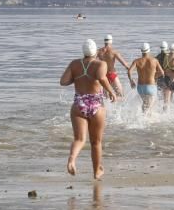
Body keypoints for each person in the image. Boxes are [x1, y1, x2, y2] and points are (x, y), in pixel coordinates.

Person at [60, 39, 117, 179]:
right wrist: (111, 92)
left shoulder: (75, 64)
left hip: (79, 104)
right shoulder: (101, 64)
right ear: (95, 51)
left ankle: (72, 159)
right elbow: (101, 78)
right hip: (96, 105)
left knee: (79, 139)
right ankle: (97, 171)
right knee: (96, 142)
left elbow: (63, 81)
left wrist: (77, 77)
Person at [127, 42, 162, 113]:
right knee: (148, 107)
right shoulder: (154, 61)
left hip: (140, 87)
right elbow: (162, 73)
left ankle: (145, 119)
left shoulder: (136, 61)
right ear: (149, 50)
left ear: (141, 51)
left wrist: (131, 81)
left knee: (146, 104)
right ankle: (144, 121)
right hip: (151, 86)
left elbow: (129, 71)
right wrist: (155, 77)